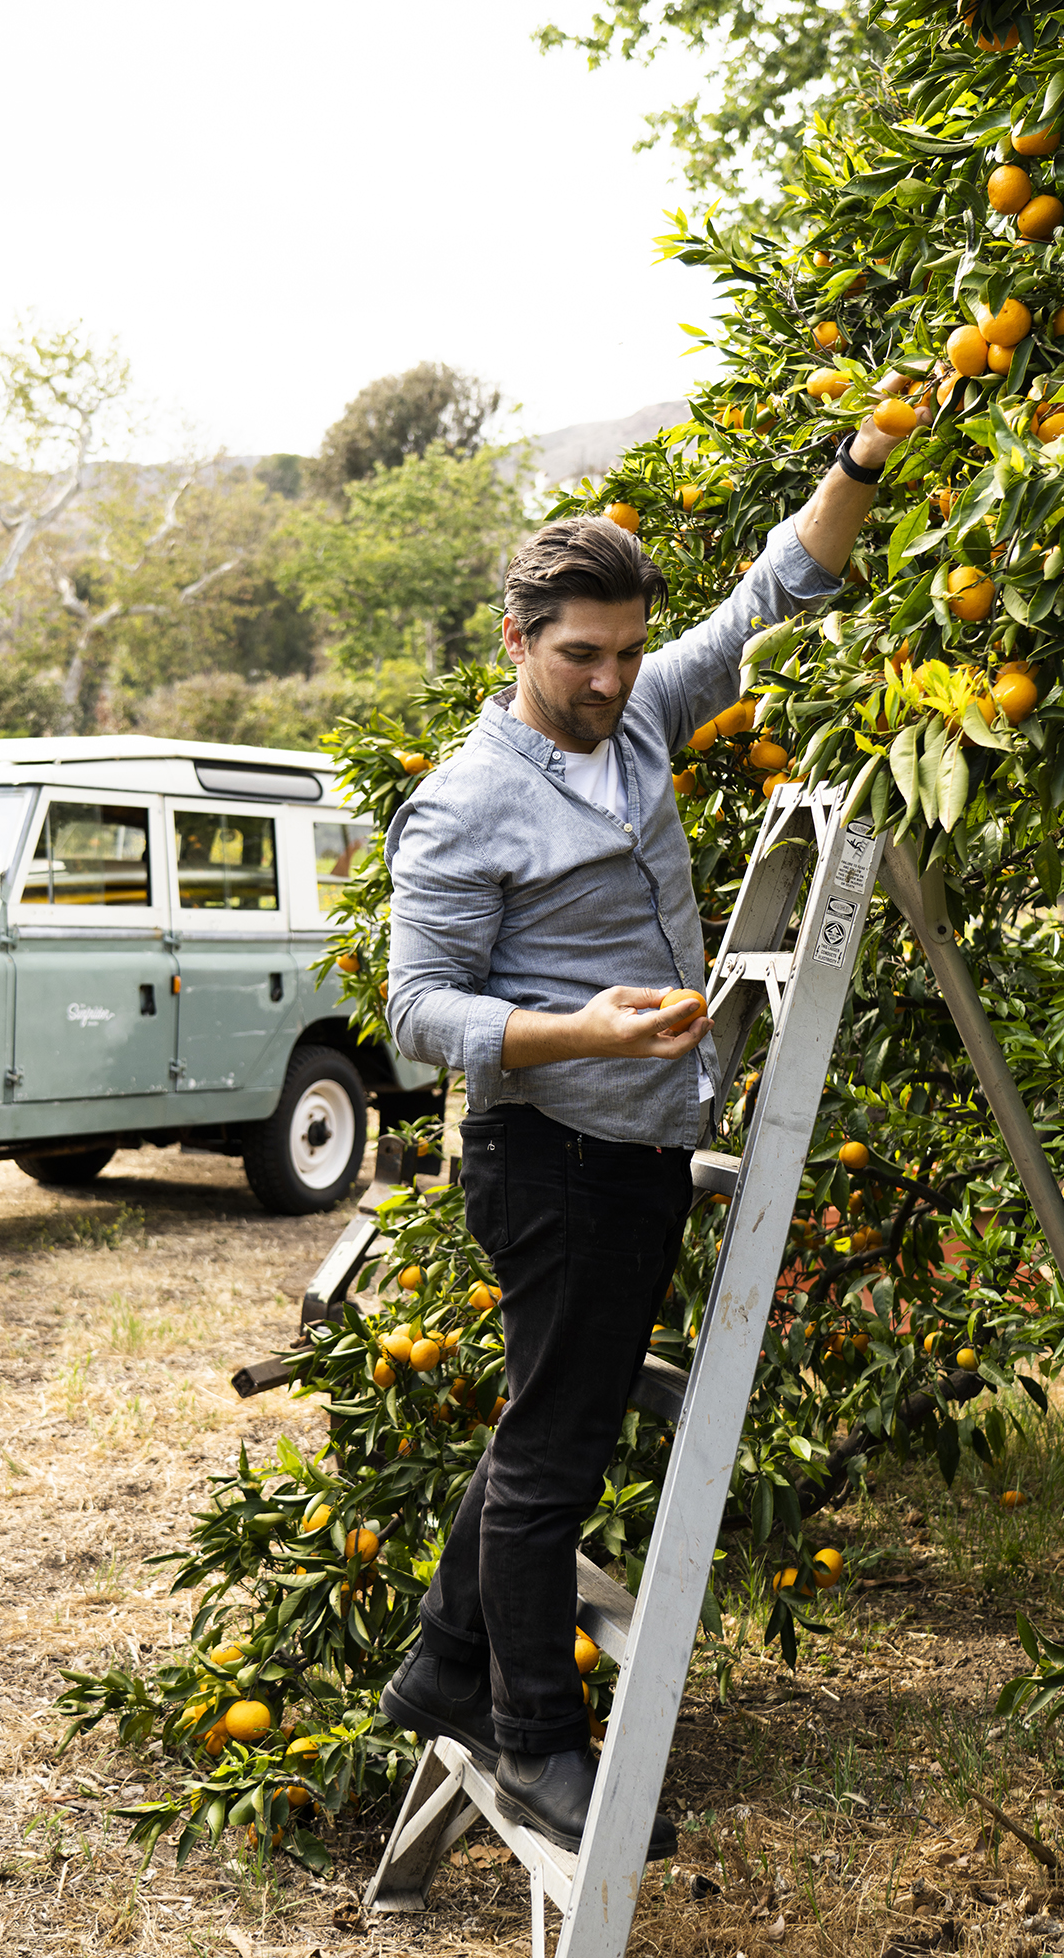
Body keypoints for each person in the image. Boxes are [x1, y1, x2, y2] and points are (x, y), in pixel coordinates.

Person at [376, 388, 927, 1856]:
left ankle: (437, 1665)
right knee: (555, 1460)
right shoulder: (462, 805)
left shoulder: (637, 730)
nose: (613, 681)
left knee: (545, 1416)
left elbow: (777, 592)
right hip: (550, 1156)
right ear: (515, 643)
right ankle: (535, 1736)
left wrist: (859, 461)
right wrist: (580, 1029)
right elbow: (417, 1011)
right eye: (581, 657)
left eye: (626, 653)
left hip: (634, 1148)